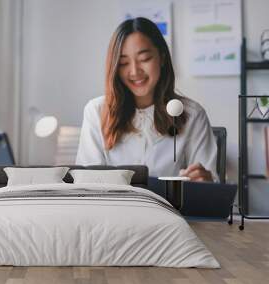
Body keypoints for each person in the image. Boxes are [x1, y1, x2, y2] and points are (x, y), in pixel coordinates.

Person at [76, 17, 218, 182]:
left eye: (144, 59)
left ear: (162, 57)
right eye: (123, 63)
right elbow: (86, 183)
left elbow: (209, 185)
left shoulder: (193, 114)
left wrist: (205, 181)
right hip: (113, 207)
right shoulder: (96, 111)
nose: (135, 71)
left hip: (169, 208)